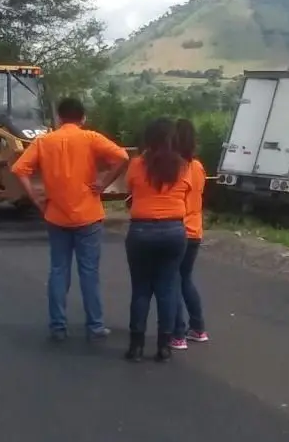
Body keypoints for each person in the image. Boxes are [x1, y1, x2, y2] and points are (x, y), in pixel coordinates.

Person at [11, 97, 129, 342]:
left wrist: (36, 198)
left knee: (58, 271)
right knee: (89, 272)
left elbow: (19, 169)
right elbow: (122, 158)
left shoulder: (44, 141)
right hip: (88, 215)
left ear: (58, 118)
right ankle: (95, 325)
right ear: (83, 118)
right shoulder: (91, 138)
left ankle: (58, 326)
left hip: (56, 216)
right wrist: (104, 183)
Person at [124, 117, 192, 363]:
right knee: (167, 289)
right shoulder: (183, 166)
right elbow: (187, 192)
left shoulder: (137, 164)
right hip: (174, 231)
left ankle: (136, 346)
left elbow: (130, 189)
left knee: (141, 289)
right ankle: (164, 346)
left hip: (141, 231)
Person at [169, 118, 209, 350]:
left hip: (176, 229)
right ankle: (198, 327)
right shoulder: (198, 167)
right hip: (195, 230)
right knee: (186, 279)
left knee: (171, 281)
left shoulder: (174, 167)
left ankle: (177, 334)